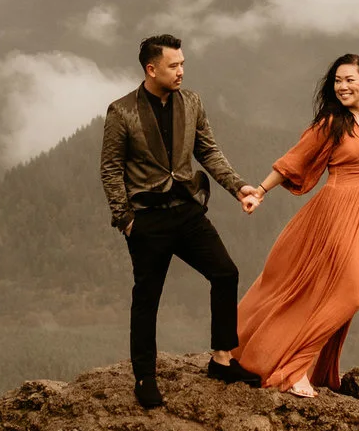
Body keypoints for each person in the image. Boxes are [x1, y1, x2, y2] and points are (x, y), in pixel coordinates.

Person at [231, 53, 359, 407]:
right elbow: (293, 160)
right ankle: (296, 366)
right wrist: (260, 191)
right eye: (337, 81)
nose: (342, 86)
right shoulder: (332, 123)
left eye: (349, 80)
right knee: (345, 297)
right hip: (337, 212)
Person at [98, 34, 262, 409]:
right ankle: (145, 377)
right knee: (147, 298)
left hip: (188, 211)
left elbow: (208, 150)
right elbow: (110, 169)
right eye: (174, 66)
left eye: (183, 64)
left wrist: (238, 187)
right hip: (147, 220)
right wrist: (125, 219)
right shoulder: (121, 111)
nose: (181, 71)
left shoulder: (191, 102)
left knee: (225, 273)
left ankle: (222, 359)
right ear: (151, 69)